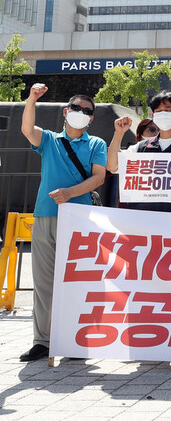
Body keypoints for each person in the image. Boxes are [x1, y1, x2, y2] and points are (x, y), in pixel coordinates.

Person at [19, 84, 107, 362]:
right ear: (66, 112)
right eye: (77, 108)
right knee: (44, 282)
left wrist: (70, 193)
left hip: (81, 219)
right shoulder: (48, 139)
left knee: (78, 281)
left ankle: (75, 339)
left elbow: (99, 177)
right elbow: (26, 129)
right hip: (46, 215)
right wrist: (32, 99)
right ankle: (42, 341)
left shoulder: (96, 144)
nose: (81, 113)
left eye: (87, 111)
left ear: (92, 118)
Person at [106, 91, 171, 214]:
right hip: (145, 219)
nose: (163, 113)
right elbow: (112, 166)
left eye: (168, 109)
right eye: (159, 111)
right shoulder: (141, 147)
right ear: (153, 115)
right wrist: (119, 133)